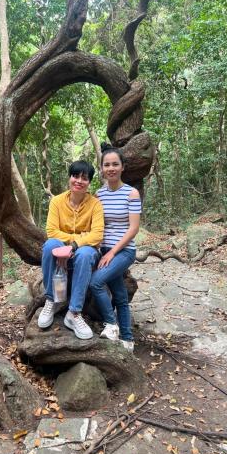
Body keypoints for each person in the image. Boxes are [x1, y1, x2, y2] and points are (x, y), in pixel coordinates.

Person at [38, 160, 104, 340]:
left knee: (84, 254)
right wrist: (68, 246)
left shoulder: (95, 204)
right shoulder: (57, 202)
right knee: (50, 245)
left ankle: (74, 313)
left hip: (84, 250)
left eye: (84, 178)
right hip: (61, 248)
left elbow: (97, 234)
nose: (79, 181)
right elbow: (52, 231)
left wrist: (74, 245)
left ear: (89, 182)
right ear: (70, 178)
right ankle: (51, 300)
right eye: (75, 176)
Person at [89, 143, 141, 352]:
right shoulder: (99, 195)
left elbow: (134, 228)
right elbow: (95, 224)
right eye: (106, 165)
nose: (111, 168)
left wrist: (112, 252)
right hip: (104, 251)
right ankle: (127, 339)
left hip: (124, 251)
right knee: (119, 295)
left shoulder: (132, 194)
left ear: (122, 167)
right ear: (101, 169)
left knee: (96, 282)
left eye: (115, 164)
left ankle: (111, 324)